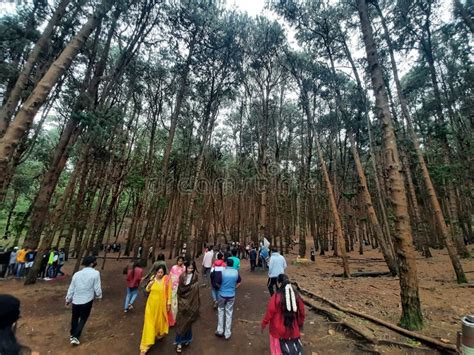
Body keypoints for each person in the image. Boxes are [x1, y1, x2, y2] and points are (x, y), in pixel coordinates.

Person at [261, 274, 305, 355]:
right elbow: (302, 312)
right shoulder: (296, 295)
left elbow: (270, 312)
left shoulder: (276, 296)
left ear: (279, 284)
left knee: (277, 350)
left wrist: (264, 323)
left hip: (277, 330)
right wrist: (300, 324)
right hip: (293, 328)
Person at [65, 255, 102, 345]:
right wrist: (99, 296)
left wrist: (68, 298)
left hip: (76, 300)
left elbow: (71, 288)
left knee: (74, 317)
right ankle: (75, 336)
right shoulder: (95, 273)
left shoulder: (77, 274)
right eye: (94, 261)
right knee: (83, 318)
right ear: (91, 263)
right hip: (87, 300)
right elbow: (97, 287)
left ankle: (73, 333)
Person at [140, 265, 171, 354]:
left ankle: (159, 333)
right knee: (149, 324)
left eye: (162, 272)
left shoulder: (166, 280)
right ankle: (145, 346)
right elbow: (147, 290)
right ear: (156, 272)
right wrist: (149, 285)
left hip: (161, 305)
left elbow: (169, 292)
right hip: (151, 305)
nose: (160, 274)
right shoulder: (153, 279)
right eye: (159, 272)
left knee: (159, 321)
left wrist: (168, 303)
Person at [175, 261, 200, 353]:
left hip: (191, 302)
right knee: (181, 322)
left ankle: (187, 339)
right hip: (182, 302)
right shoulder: (182, 276)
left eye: (192, 268)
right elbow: (180, 290)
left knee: (188, 322)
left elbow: (196, 290)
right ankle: (179, 342)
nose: (190, 270)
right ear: (185, 267)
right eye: (189, 268)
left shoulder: (195, 277)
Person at [215, 258, 241, 340]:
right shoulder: (236, 272)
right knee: (229, 313)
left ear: (226, 264)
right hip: (231, 295)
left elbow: (217, 282)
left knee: (221, 310)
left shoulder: (222, 272)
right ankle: (227, 333)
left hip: (222, 294)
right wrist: (234, 288)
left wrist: (221, 288)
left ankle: (220, 330)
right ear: (233, 264)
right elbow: (239, 282)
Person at [168, 256, 185, 326]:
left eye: (181, 261)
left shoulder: (184, 268)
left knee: (178, 304)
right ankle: (171, 320)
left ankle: (176, 319)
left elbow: (184, 277)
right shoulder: (173, 267)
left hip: (180, 287)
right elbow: (170, 276)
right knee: (172, 304)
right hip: (173, 288)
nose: (180, 262)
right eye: (179, 261)